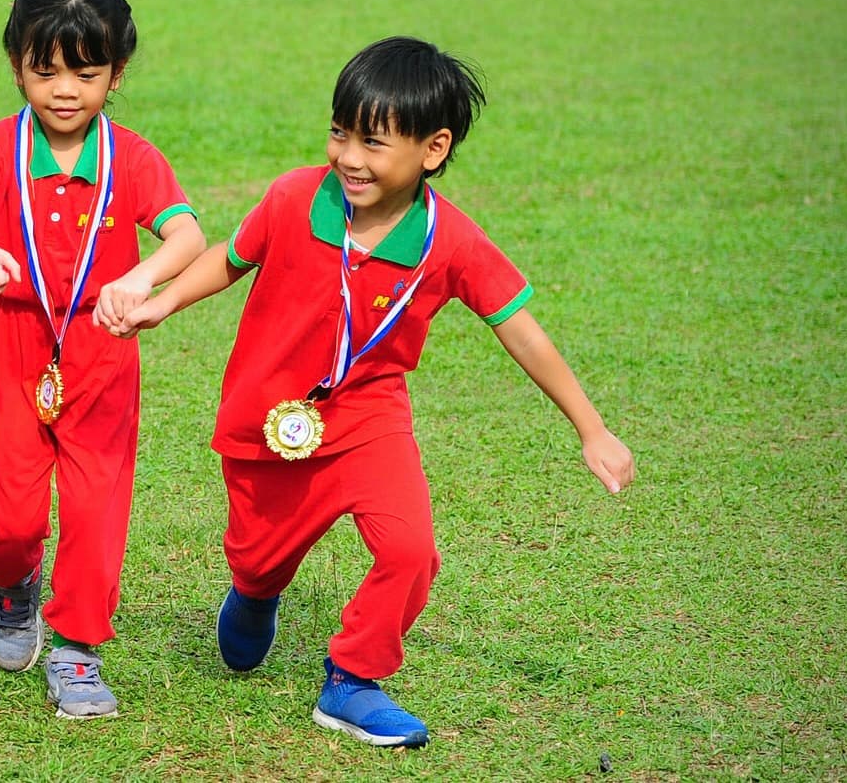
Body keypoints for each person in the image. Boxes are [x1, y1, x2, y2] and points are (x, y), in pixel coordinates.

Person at [110, 36, 637, 747]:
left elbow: (521, 330)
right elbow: (231, 260)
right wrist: (160, 301)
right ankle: (257, 591)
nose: (349, 157)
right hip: (267, 420)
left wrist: (592, 428)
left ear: (433, 148)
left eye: (374, 142)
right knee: (259, 557)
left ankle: (353, 679)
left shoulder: (449, 242)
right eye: (340, 133)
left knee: (411, 550)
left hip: (368, 419)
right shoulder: (295, 196)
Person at [0, 0, 205, 719]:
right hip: (12, 346)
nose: (65, 89)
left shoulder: (132, 157)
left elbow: (187, 235)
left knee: (95, 509)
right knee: (13, 517)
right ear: (17, 64)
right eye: (45, 71)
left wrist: (140, 278)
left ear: (117, 74)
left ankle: (78, 649)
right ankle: (14, 585)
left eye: (87, 71)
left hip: (103, 351)